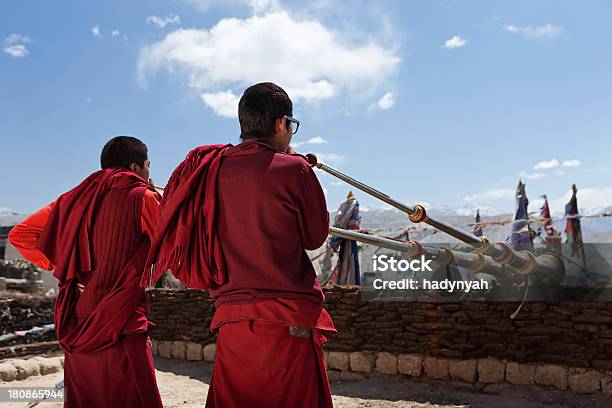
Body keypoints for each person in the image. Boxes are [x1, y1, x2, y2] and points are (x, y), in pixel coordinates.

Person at [144, 82, 336, 407]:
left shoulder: (210, 171)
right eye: (292, 125)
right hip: (287, 322)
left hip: (233, 322)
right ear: (280, 124)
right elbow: (315, 236)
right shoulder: (296, 170)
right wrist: (298, 168)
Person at [9, 136, 163, 407]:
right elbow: (172, 247)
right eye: (149, 165)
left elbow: (21, 235)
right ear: (136, 167)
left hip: (81, 321)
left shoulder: (72, 200)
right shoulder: (144, 197)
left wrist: (65, 269)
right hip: (122, 322)